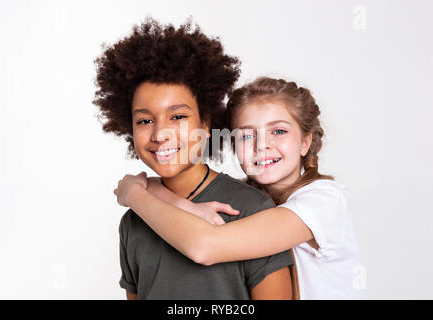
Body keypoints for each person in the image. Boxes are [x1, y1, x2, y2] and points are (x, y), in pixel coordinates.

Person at [114, 77, 369, 299]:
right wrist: (178, 202)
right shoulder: (247, 198)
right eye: (246, 136)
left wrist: (135, 194)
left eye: (278, 131)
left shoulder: (325, 201)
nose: (261, 145)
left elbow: (204, 246)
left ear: (305, 142)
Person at [94, 19, 294, 300]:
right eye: (144, 120)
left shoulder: (251, 209)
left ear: (206, 122)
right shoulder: (133, 221)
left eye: (178, 116)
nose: (160, 134)